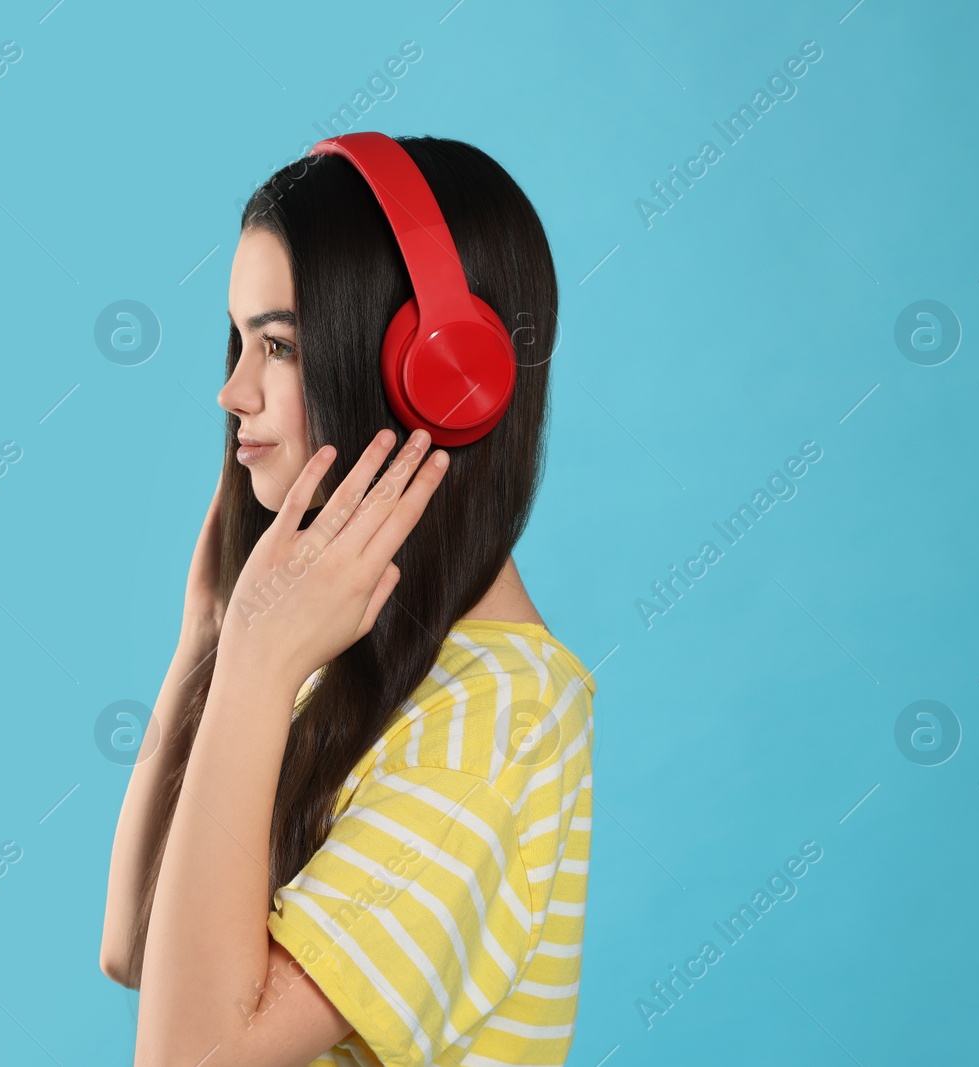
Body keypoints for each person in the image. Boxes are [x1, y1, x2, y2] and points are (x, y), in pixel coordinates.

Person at [100, 134, 595, 1067]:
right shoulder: (334, 650)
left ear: (441, 377)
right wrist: (209, 638)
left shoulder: (492, 729)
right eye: (240, 341)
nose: (231, 389)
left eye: (279, 345)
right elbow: (134, 944)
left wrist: (253, 659)